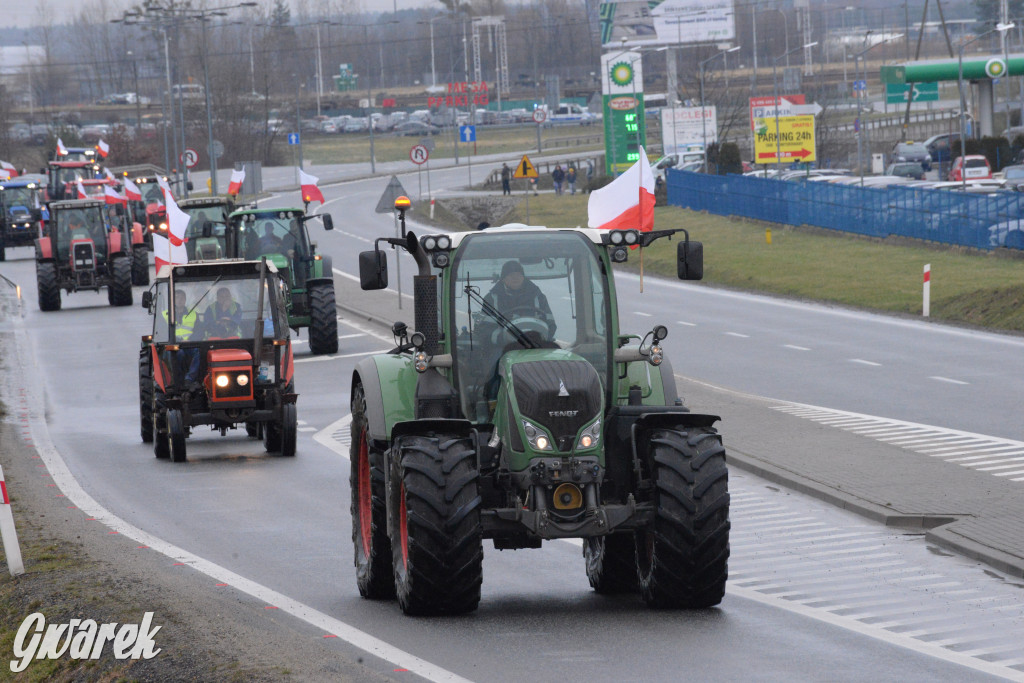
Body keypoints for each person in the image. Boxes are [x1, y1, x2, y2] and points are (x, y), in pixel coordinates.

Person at [483, 260, 556, 339]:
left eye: (519, 274)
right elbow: (485, 329)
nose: (515, 278)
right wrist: (505, 338)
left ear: (523, 277)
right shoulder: (491, 299)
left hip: (535, 345)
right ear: (503, 279)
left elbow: (550, 325)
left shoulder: (539, 297)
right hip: (503, 347)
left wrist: (540, 339)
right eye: (511, 275)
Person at [162, 289, 200, 383]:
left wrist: (191, 339)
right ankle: (178, 380)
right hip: (173, 345)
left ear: (185, 299)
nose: (180, 300)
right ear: (173, 300)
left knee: (199, 352)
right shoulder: (165, 315)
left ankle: (189, 378)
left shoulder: (193, 314)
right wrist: (178, 340)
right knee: (179, 353)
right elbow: (164, 332)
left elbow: (199, 331)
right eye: (177, 297)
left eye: (182, 297)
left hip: (190, 344)